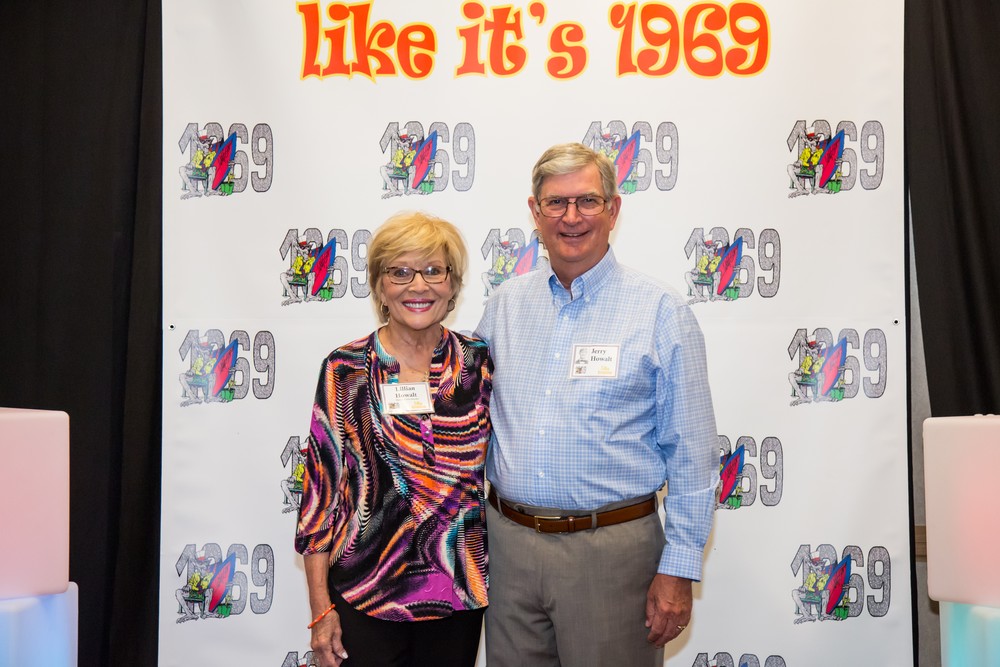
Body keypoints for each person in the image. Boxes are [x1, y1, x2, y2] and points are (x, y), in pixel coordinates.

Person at [476, 142, 718, 666]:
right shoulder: (503, 307)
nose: (571, 217)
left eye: (587, 201)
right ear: (534, 211)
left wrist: (678, 569)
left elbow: (693, 454)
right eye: (555, 203)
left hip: (610, 552)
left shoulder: (660, 311)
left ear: (613, 209)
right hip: (509, 549)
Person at [296, 211, 492, 667]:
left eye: (433, 270)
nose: (418, 286)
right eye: (400, 272)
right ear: (380, 287)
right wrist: (320, 608)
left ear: (453, 285)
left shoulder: (478, 363)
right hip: (366, 594)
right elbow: (320, 498)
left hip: (457, 597)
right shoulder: (345, 369)